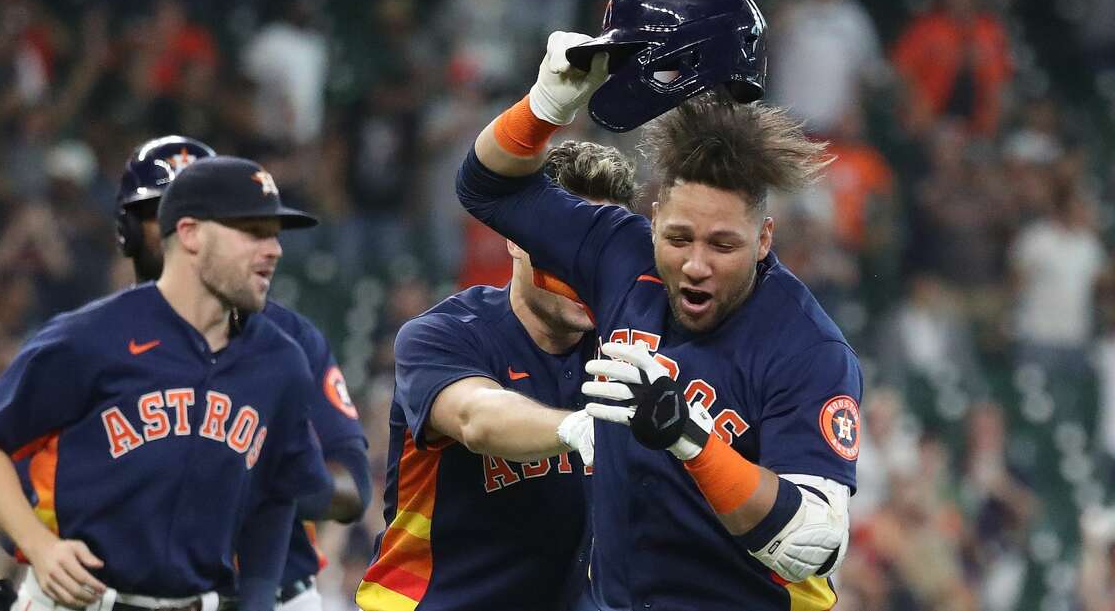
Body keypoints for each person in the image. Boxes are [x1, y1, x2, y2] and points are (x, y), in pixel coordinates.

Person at [455, 30, 861, 611]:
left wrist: (689, 438)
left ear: (765, 239)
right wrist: (547, 104)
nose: (695, 264)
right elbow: (486, 187)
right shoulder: (619, 254)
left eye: (723, 244)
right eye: (678, 238)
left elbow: (812, 545)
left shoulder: (808, 348)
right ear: (652, 223)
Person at [0, 156, 333, 611]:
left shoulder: (281, 362)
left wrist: (257, 604)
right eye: (252, 231)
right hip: (79, 603)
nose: (274, 249)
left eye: (274, 234)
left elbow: (273, 499)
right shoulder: (91, 337)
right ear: (189, 234)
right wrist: (38, 545)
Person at [356, 141, 639, 611]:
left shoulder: (630, 347)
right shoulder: (440, 335)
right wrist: (577, 427)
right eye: (567, 241)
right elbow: (476, 418)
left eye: (603, 246)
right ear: (513, 235)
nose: (586, 264)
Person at [115, 136, 372, 611]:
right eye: (157, 213)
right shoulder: (98, 343)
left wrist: (276, 471)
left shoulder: (288, 341)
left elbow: (352, 487)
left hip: (273, 593)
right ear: (127, 230)